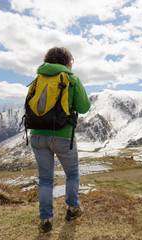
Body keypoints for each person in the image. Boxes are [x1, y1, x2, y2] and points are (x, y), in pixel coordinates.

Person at [30, 47, 91, 233]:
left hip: (38, 135)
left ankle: (46, 220)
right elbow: (84, 107)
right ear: (67, 62)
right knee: (72, 174)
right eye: (71, 61)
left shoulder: (39, 77)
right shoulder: (71, 79)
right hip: (63, 136)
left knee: (45, 179)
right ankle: (73, 209)